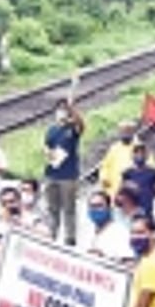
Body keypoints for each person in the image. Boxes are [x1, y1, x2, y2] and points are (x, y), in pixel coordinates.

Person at [43, 98, 85, 246]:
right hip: (51, 174)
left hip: (68, 175)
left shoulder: (72, 129)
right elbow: (47, 146)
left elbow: (81, 125)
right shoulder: (51, 130)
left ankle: (70, 238)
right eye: (59, 109)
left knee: (69, 208)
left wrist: (73, 110)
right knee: (52, 208)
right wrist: (48, 153)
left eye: (64, 109)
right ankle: (51, 235)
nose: (61, 112)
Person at [99, 120, 155, 198]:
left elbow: (151, 167)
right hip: (115, 189)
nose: (125, 134)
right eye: (123, 131)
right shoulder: (115, 148)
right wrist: (104, 178)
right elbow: (105, 165)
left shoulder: (140, 148)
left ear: (133, 132)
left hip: (135, 191)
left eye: (128, 131)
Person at [120, 139, 155, 221]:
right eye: (137, 152)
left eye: (142, 152)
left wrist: (147, 196)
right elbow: (122, 192)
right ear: (132, 155)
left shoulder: (153, 172)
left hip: (147, 209)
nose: (139, 155)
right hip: (132, 211)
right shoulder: (127, 173)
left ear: (147, 155)